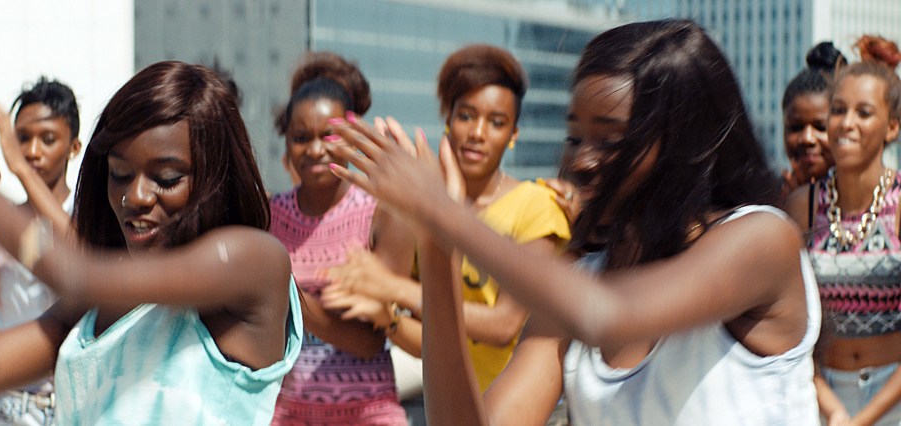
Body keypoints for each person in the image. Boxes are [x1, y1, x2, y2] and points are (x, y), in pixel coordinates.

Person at [328, 19, 820, 425]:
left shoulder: (761, 238)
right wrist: (436, 251)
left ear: (684, 147)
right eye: (574, 137)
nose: (581, 161)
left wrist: (444, 212)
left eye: (609, 140)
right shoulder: (580, 280)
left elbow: (605, 315)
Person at [0, 58, 301, 425]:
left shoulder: (252, 260)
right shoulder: (99, 306)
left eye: (166, 178)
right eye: (120, 174)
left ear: (214, 177)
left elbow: (75, 273)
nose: (136, 197)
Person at [321, 44, 570, 393]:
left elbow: (503, 326)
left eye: (496, 122)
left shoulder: (538, 206)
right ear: (448, 119)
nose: (478, 133)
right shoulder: (420, 209)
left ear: (513, 134)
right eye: (466, 116)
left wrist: (393, 288)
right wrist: (389, 319)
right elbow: (430, 341)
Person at [268, 51, 412, 425]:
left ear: (352, 136)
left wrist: (295, 301)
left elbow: (369, 339)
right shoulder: (268, 216)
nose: (315, 149)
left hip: (369, 414)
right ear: (287, 143)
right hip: (287, 415)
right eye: (301, 137)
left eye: (328, 135)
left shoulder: (379, 214)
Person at [787, 34, 901, 426]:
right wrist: (833, 408)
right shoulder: (803, 205)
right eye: (838, 110)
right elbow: (791, 326)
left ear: (892, 127)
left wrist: (864, 418)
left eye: (864, 113)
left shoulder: (899, 204)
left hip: (892, 401)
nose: (846, 124)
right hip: (822, 398)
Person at [0, 77, 82, 425]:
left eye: (48, 139)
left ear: (74, 148)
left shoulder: (87, 215)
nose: (31, 151)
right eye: (22, 139)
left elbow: (82, 268)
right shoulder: (3, 216)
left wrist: (21, 171)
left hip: (74, 403)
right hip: (9, 406)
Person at [781, 42, 846, 198]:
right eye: (796, 127)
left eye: (821, 127)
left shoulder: (879, 198)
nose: (807, 139)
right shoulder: (771, 200)